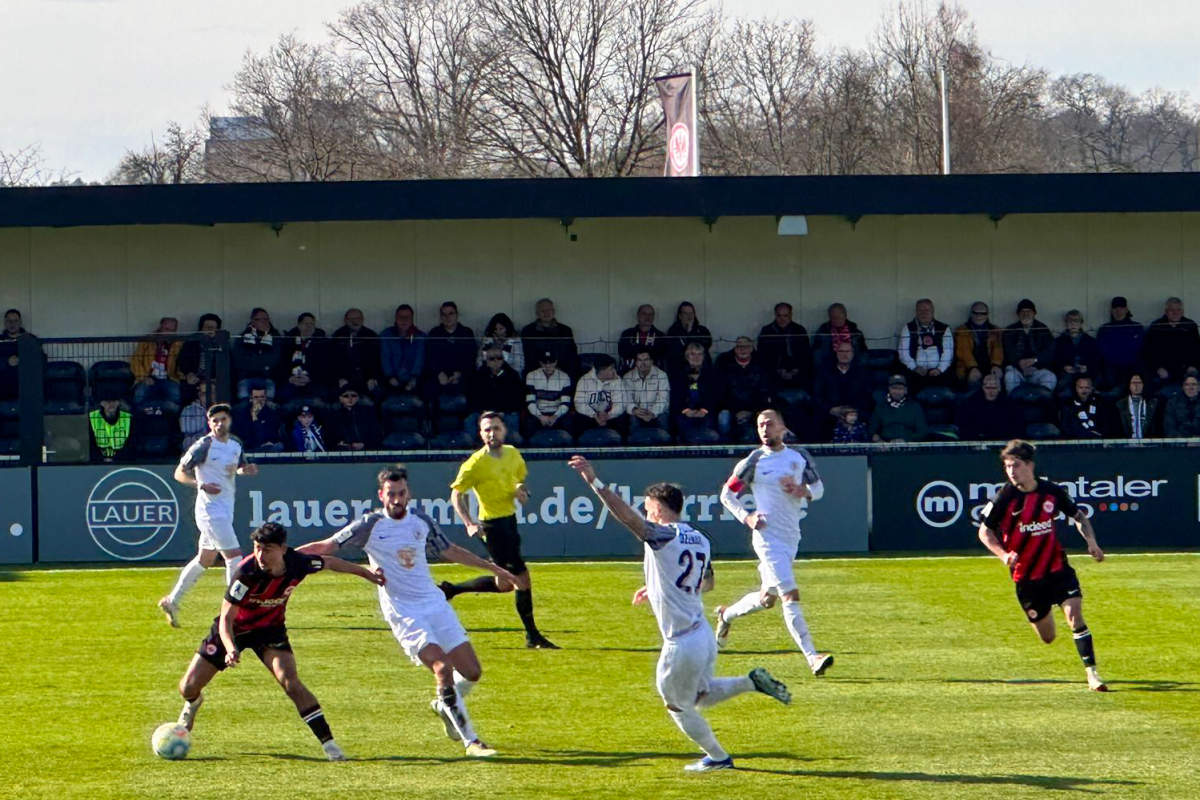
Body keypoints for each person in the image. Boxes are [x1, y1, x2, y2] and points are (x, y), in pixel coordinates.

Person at [567, 454, 792, 772]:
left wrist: (594, 481)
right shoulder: (699, 538)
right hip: (702, 632)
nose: (645, 512)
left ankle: (718, 757)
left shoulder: (663, 534)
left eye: (647, 507)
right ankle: (750, 683)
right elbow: (707, 583)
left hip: (682, 640)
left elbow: (628, 520)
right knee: (700, 697)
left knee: (676, 704)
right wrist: (659, 587)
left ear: (658, 508)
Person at [300, 465, 519, 758]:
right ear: (381, 495)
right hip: (404, 611)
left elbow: (450, 550)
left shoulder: (421, 521)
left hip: (434, 602)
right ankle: (472, 742)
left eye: (401, 493)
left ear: (408, 493)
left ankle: (445, 704)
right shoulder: (369, 524)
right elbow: (327, 546)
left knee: (472, 671)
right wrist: (284, 554)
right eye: (391, 494)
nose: (396, 500)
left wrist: (492, 567)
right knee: (442, 668)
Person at [173, 522, 384, 761]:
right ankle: (193, 704)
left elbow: (331, 562)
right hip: (235, 630)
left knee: (290, 682)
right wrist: (231, 649)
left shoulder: (299, 563)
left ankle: (330, 745)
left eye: (267, 549)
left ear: (283, 549)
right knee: (187, 687)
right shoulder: (246, 573)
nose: (260, 555)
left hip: (269, 631)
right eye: (257, 548)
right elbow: (226, 619)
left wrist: (367, 574)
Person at [976, 439, 1108, 692]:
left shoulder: (1051, 491)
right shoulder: (1005, 496)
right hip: (1026, 577)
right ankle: (1045, 613)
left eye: (1015, 466)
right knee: (1048, 637)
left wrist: (1091, 542)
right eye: (1007, 467)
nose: (1011, 472)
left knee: (1075, 616)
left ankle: (1093, 675)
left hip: (1058, 570)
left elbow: (1078, 516)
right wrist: (1003, 555)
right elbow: (984, 532)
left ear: (1029, 465)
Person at [715, 409, 834, 677]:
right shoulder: (754, 461)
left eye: (769, 424)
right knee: (789, 594)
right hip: (767, 537)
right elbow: (727, 494)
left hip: (791, 536)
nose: (764, 429)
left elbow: (820, 489)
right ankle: (812, 656)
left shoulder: (799, 457)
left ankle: (726, 616)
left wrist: (804, 491)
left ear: (783, 427)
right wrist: (746, 517)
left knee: (767, 599)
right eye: (760, 425)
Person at [445, 413, 557, 648]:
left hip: (509, 521)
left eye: (495, 428)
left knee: (504, 584)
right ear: (480, 433)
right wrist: (469, 523)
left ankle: (451, 589)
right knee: (521, 579)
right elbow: (456, 494)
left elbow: (517, 480)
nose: (491, 433)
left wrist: (520, 490)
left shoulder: (513, 453)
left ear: (504, 430)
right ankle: (532, 636)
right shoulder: (475, 463)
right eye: (486, 429)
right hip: (492, 527)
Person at [158, 403, 259, 627]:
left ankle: (172, 600)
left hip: (225, 508)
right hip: (210, 511)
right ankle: (234, 612)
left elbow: (236, 468)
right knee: (234, 557)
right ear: (209, 423)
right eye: (215, 420)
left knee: (205, 559)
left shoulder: (235, 445)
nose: (219, 424)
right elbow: (179, 473)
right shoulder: (203, 445)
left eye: (223, 419)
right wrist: (200, 485)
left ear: (229, 421)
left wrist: (245, 471)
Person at [670, 342, 723, 443]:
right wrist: (686, 410)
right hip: (684, 413)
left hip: (706, 413)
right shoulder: (678, 374)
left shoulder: (712, 374)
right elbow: (675, 397)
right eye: (693, 354)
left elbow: (715, 396)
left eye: (699, 354)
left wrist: (704, 410)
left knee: (711, 435)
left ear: (704, 356)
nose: (696, 357)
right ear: (686, 356)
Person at [897, 298, 953, 392]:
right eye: (920, 310)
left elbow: (948, 352)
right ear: (916, 312)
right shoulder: (908, 328)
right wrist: (914, 367)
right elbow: (903, 352)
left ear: (933, 311)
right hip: (915, 370)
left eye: (927, 310)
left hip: (938, 371)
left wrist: (939, 369)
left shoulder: (943, 328)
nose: (924, 313)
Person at [1144, 297, 1200, 389]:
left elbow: (1197, 349)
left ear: (1182, 311)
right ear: (1166, 311)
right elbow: (1149, 351)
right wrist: (1158, 368)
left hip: (1186, 369)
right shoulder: (1157, 326)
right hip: (1164, 371)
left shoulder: (1190, 325)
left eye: (1178, 309)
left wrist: (1194, 366)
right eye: (1172, 310)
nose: (1175, 313)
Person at [1002, 299, 1057, 394]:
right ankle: (1014, 406)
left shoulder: (1042, 329)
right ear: (1018, 314)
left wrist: (1034, 361)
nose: (1025, 314)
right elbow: (1008, 352)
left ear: (1034, 313)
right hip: (1017, 369)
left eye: (1029, 311)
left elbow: (1050, 352)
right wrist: (1020, 364)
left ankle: (1041, 405)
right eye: (1022, 312)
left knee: (1050, 378)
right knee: (1009, 377)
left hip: (1037, 369)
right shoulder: (1010, 330)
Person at [757, 302, 812, 393]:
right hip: (774, 372)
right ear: (775, 315)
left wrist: (796, 370)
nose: (782, 319)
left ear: (791, 315)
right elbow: (762, 355)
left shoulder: (799, 330)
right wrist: (778, 370)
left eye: (785, 316)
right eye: (779, 316)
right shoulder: (767, 330)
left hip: (797, 371)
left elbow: (806, 354)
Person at [130, 316, 183, 409]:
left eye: (172, 330)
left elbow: (181, 363)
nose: (169, 333)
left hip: (169, 378)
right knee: (140, 393)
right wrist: (143, 377)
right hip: (147, 377)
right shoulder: (147, 340)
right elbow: (136, 360)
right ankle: (138, 418)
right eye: (166, 329)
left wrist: (180, 376)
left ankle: (175, 420)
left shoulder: (178, 344)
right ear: (160, 327)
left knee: (176, 394)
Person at [278, 312, 331, 403]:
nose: (309, 327)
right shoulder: (288, 342)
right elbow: (281, 364)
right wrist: (289, 378)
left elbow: (325, 367)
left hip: (313, 381)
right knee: (282, 396)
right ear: (299, 325)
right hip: (292, 380)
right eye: (306, 324)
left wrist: (310, 378)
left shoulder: (322, 343)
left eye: (312, 324)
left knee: (322, 396)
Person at [231, 308, 282, 399]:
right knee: (243, 396)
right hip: (246, 377)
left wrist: (256, 361)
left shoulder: (275, 337)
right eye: (259, 319)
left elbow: (275, 359)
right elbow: (239, 360)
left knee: (270, 397)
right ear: (252, 321)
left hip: (268, 378)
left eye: (266, 319)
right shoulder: (243, 337)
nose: (264, 322)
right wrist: (261, 364)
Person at [955, 373, 1022, 441]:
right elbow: (964, 426)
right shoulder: (970, 403)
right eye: (987, 388)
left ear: (999, 388)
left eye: (994, 388)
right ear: (983, 388)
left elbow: (1016, 426)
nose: (991, 391)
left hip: (1002, 440)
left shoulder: (1010, 405)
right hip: (977, 440)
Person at [573, 354, 627, 439]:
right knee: (579, 420)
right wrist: (595, 415)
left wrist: (609, 415)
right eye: (611, 369)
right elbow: (579, 403)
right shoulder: (584, 380)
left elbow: (621, 404)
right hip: (590, 416)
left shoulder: (617, 380)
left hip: (611, 417)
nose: (614, 371)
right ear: (602, 371)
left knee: (623, 420)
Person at [331, 307, 381, 398]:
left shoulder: (370, 335)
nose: (355, 321)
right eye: (352, 319)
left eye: (358, 318)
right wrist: (339, 378)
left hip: (365, 377)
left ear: (362, 320)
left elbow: (376, 360)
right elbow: (332, 360)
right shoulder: (338, 336)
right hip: (345, 378)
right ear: (345, 320)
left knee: (376, 394)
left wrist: (372, 378)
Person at [521, 298, 578, 377]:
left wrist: (557, 369)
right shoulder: (528, 331)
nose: (546, 313)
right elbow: (527, 355)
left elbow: (572, 354)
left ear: (554, 311)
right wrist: (544, 369)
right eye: (542, 311)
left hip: (562, 371)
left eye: (549, 310)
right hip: (535, 373)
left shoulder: (565, 330)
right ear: (537, 313)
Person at [522, 350, 573, 439]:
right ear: (540, 363)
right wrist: (540, 416)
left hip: (557, 412)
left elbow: (565, 403)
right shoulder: (531, 376)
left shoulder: (564, 377)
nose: (548, 366)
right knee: (528, 424)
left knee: (569, 423)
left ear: (556, 362)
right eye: (545, 363)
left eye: (551, 362)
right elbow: (530, 402)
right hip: (538, 412)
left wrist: (555, 416)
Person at [1096, 296, 1144, 390]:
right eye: (1115, 308)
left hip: (1132, 368)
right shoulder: (1105, 329)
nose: (1118, 311)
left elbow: (1140, 349)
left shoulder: (1137, 327)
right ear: (1111, 310)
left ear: (1126, 310)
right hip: (1111, 369)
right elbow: (1102, 351)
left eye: (1121, 308)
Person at [953, 302, 1004, 389]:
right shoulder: (962, 330)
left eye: (982, 313)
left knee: (997, 374)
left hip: (989, 365)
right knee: (973, 376)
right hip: (968, 366)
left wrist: (996, 365)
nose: (979, 316)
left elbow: (998, 349)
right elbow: (964, 352)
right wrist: (972, 367)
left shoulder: (995, 330)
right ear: (971, 314)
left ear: (987, 314)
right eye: (975, 313)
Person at [178, 313, 225, 407]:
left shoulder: (223, 344)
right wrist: (189, 373)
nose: (210, 330)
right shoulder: (191, 342)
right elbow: (183, 361)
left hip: (214, 381)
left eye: (213, 327)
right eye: (207, 327)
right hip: (195, 379)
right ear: (201, 329)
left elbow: (227, 366)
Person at [380, 304, 426, 396]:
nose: (404, 320)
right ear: (396, 318)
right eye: (401, 317)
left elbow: (420, 359)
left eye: (407, 317)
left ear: (412, 319)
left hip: (414, 380)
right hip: (391, 379)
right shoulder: (386, 335)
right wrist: (390, 377)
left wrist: (414, 378)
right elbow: (385, 357)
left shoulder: (420, 336)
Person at [869, 374, 929, 442]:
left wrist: (906, 440)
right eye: (894, 388)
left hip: (909, 446)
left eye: (900, 388)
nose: (897, 392)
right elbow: (872, 431)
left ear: (905, 390)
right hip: (886, 447)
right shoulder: (880, 407)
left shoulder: (915, 407)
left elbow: (922, 432)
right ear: (889, 389)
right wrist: (879, 441)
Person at [623, 349, 671, 432]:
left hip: (657, 412)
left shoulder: (662, 375)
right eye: (640, 360)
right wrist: (635, 410)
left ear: (652, 361)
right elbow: (626, 400)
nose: (643, 363)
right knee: (632, 421)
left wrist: (652, 413)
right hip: (637, 412)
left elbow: (664, 400)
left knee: (663, 419)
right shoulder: (627, 377)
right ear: (636, 362)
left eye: (646, 360)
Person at [1051, 310, 1101, 390]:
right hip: (1066, 376)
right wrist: (1064, 367)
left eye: (1076, 321)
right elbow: (1054, 361)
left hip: (1086, 375)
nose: (1073, 323)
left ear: (1081, 323)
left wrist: (1087, 368)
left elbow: (1097, 361)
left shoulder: (1090, 341)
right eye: (1070, 321)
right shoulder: (1059, 342)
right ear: (1066, 323)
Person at [812, 302, 866, 371]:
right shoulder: (823, 331)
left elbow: (863, 353)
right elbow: (817, 354)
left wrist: (858, 369)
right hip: (829, 368)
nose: (836, 320)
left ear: (845, 315)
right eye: (833, 318)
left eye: (838, 317)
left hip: (852, 367)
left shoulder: (855, 332)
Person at [232, 382, 284, 452]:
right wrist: (254, 417)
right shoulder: (242, 414)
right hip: (248, 450)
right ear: (251, 398)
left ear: (266, 398)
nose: (259, 400)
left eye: (262, 397)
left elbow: (271, 436)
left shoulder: (272, 414)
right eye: (256, 397)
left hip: (267, 449)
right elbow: (244, 436)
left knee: (278, 446)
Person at [326, 386, 382, 451]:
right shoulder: (334, 416)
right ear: (340, 398)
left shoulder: (368, 413)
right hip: (343, 453)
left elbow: (377, 434)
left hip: (368, 451)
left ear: (358, 398)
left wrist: (365, 444)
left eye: (353, 395)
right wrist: (342, 444)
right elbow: (329, 438)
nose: (350, 398)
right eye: (346, 396)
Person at [617, 304, 667, 373]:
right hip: (629, 374)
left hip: (654, 375)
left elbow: (660, 355)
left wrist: (636, 348)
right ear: (638, 315)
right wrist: (648, 350)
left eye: (651, 314)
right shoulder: (627, 334)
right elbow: (623, 352)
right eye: (644, 314)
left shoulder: (661, 336)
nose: (648, 317)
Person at [664, 301, 712, 371]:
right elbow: (674, 352)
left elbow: (705, 347)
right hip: (680, 369)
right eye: (685, 313)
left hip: (701, 368)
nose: (689, 316)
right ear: (680, 316)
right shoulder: (673, 331)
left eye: (691, 313)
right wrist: (687, 332)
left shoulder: (703, 330)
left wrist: (691, 331)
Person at [88, 395, 136, 462]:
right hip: (96, 462)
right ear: (102, 403)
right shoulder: (92, 418)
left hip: (122, 461)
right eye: (107, 402)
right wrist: (101, 459)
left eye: (114, 401)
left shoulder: (128, 418)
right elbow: (89, 444)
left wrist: (116, 459)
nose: (111, 404)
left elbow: (131, 444)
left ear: (118, 403)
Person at [1115, 373, 1156, 439]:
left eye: (1139, 382)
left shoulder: (1152, 403)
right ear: (1129, 385)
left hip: (1148, 444)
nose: (1136, 385)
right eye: (1133, 382)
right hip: (1126, 445)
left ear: (1143, 385)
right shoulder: (1120, 404)